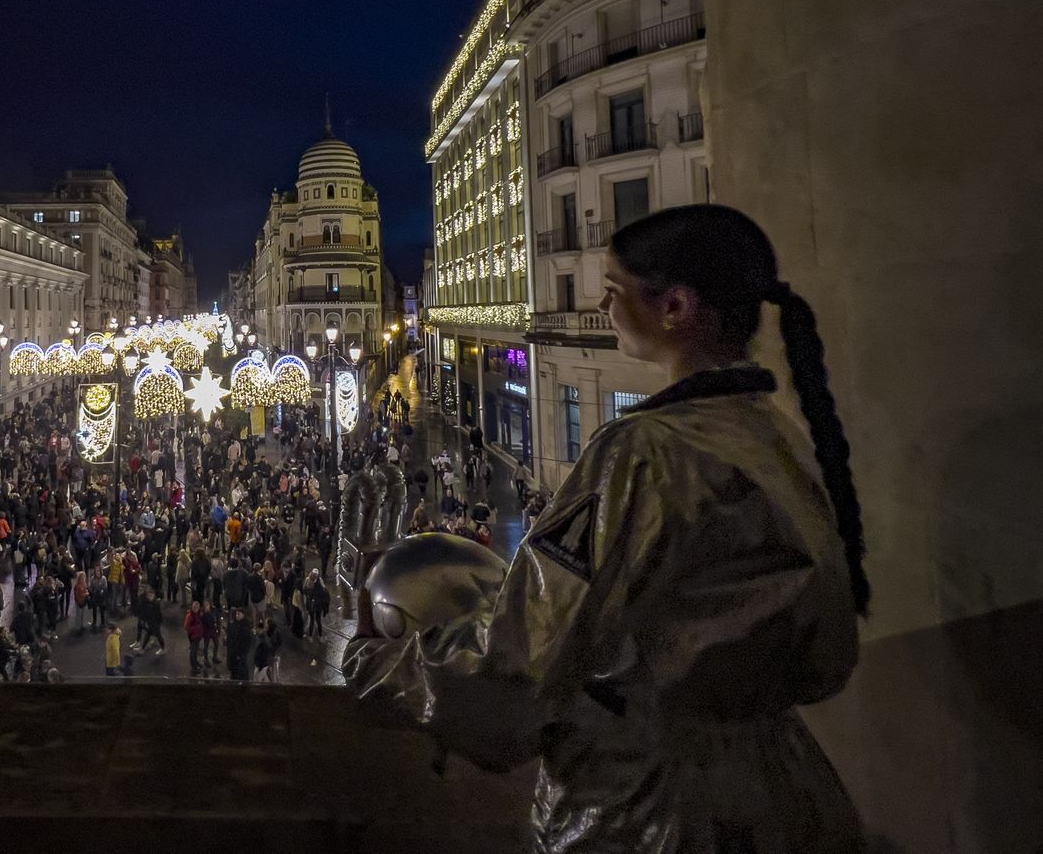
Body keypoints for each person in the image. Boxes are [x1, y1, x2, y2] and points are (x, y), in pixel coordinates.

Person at [346, 205, 869, 851]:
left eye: (615, 290)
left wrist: (385, 663)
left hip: (653, 809)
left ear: (675, 306)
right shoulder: (773, 435)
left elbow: (525, 656)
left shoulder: (642, 452)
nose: (601, 302)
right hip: (788, 790)